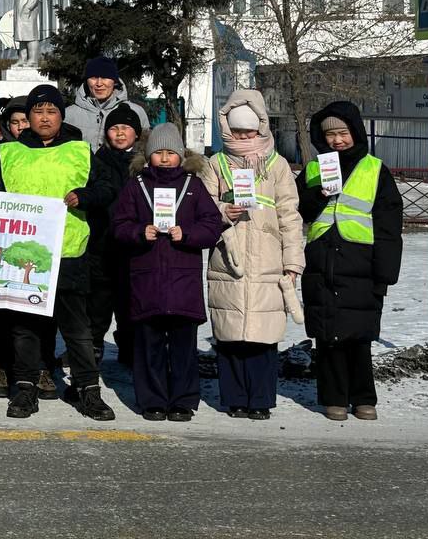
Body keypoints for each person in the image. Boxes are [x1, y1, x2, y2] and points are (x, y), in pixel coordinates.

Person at [0, 84, 116, 421]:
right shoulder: (7, 153)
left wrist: (85, 197)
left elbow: (108, 189)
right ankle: (25, 388)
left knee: (77, 330)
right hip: (23, 256)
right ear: (27, 118)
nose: (44, 117)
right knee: (25, 327)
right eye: (38, 112)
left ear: (61, 116)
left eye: (51, 111)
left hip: (70, 253)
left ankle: (88, 389)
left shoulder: (80, 151)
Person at [195, 89, 303, 420]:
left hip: (268, 265)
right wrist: (222, 211)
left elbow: (290, 216)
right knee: (229, 336)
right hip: (228, 262)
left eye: (249, 130)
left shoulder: (278, 166)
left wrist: (293, 262)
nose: (243, 136)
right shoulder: (215, 164)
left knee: (262, 338)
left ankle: (260, 400)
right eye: (237, 130)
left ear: (262, 128)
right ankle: (235, 398)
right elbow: (200, 208)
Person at [298, 102, 404, 422]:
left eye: (342, 133)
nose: (337, 140)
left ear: (355, 132)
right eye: (330, 134)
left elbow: (389, 226)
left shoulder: (375, 169)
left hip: (361, 264)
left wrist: (384, 275)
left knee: (359, 336)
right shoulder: (316, 168)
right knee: (327, 337)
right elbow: (300, 211)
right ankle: (333, 399)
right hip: (322, 263)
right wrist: (320, 193)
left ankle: (363, 399)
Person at [110, 124, 221, 421]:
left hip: (183, 280)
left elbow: (212, 225)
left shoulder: (193, 186)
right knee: (149, 346)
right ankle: (152, 401)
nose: (164, 158)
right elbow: (118, 225)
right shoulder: (136, 186)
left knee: (184, 347)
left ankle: (184, 400)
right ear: (148, 156)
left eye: (170, 153)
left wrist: (187, 234)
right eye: (158, 152)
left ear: (181, 155)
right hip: (146, 280)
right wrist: (137, 232)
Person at [0, 95, 57, 400]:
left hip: (37, 244)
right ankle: (0, 365)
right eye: (15, 122)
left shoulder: (48, 155)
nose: (22, 126)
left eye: (26, 120)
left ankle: (42, 366)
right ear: (5, 126)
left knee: (40, 308)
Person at [76, 104, 142, 366]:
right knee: (98, 303)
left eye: (126, 128)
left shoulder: (145, 163)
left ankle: (130, 348)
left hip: (134, 246)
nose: (120, 133)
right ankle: (92, 347)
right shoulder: (96, 160)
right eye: (114, 128)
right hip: (101, 242)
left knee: (130, 303)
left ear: (136, 133)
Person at [64, 56, 150, 152]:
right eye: (94, 77)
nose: (99, 83)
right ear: (86, 81)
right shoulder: (69, 114)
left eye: (105, 77)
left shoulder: (135, 112)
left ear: (114, 81)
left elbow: (144, 151)